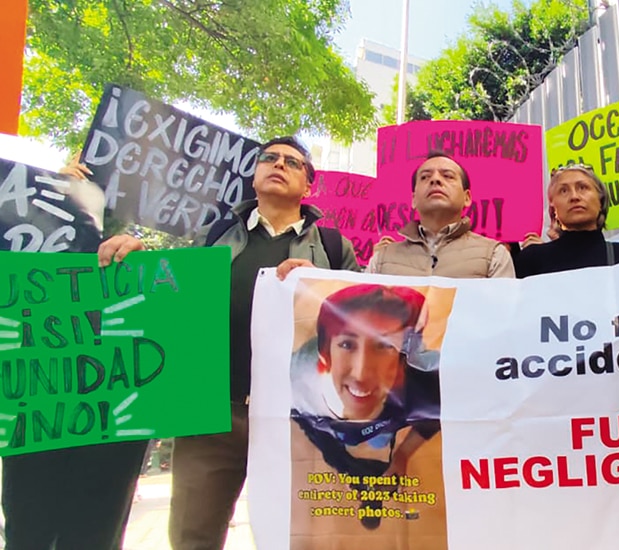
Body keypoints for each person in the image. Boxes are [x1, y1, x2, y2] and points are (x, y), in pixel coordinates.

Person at [98, 136, 361, 550]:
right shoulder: (212, 235)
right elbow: (168, 296)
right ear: (254, 175)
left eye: (292, 163)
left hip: (296, 421)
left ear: (308, 185)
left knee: (300, 538)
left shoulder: (332, 247)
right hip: (212, 415)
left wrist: (319, 287)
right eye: (269, 158)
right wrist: (134, 256)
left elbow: (358, 323)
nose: (278, 165)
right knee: (193, 535)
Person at [1, 157, 145, 550]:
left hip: (108, 416)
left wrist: (139, 257)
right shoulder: (18, 254)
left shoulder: (124, 255)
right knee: (28, 532)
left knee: (94, 535)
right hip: (35, 408)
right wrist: (49, 189)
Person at [290, 284, 439, 530]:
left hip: (384, 420)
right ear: (326, 353)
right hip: (346, 427)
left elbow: (431, 415)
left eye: (384, 346)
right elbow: (306, 421)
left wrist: (401, 456)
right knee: (357, 437)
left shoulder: (424, 381)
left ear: (404, 354)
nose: (361, 373)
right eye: (348, 345)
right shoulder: (300, 376)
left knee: (376, 438)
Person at [364, 152, 514, 278]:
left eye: (448, 176)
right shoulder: (381, 260)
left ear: (467, 198)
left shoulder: (494, 255)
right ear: (413, 199)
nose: (435, 180)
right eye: (425, 177)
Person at [514, 164, 619, 277]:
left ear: (601, 200)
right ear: (553, 208)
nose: (574, 197)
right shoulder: (532, 260)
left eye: (582, 188)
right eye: (563, 191)